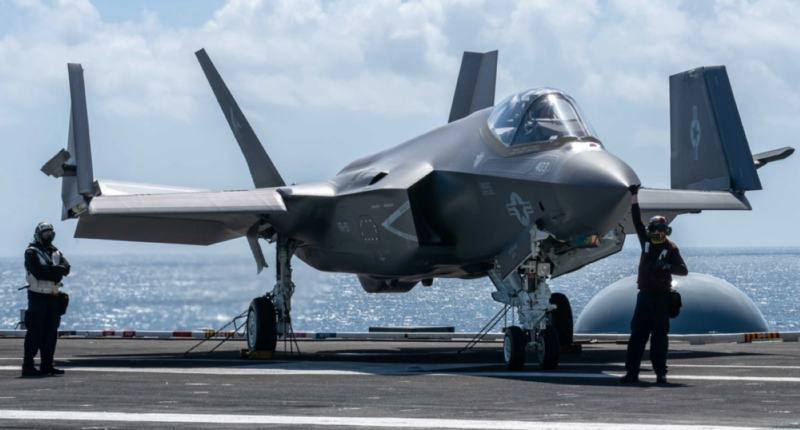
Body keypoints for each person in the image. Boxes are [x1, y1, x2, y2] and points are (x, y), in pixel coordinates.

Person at [621, 185, 688, 384]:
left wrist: (666, 266)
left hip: (661, 298)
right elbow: (636, 220)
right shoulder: (646, 242)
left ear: (666, 231)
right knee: (637, 336)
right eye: (654, 229)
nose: (656, 232)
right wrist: (634, 196)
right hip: (645, 297)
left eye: (660, 229)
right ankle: (632, 373)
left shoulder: (670, 248)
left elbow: (683, 270)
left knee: (659, 337)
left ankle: (660, 373)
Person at [22, 222, 70, 377]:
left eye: (50, 234)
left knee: (51, 332)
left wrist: (52, 270)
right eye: (45, 234)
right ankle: (28, 366)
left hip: (53, 297)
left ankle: (47, 365)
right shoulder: (31, 252)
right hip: (37, 296)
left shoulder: (56, 252)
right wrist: (56, 272)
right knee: (34, 331)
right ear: (38, 235)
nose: (48, 236)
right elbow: (38, 272)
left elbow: (66, 268)